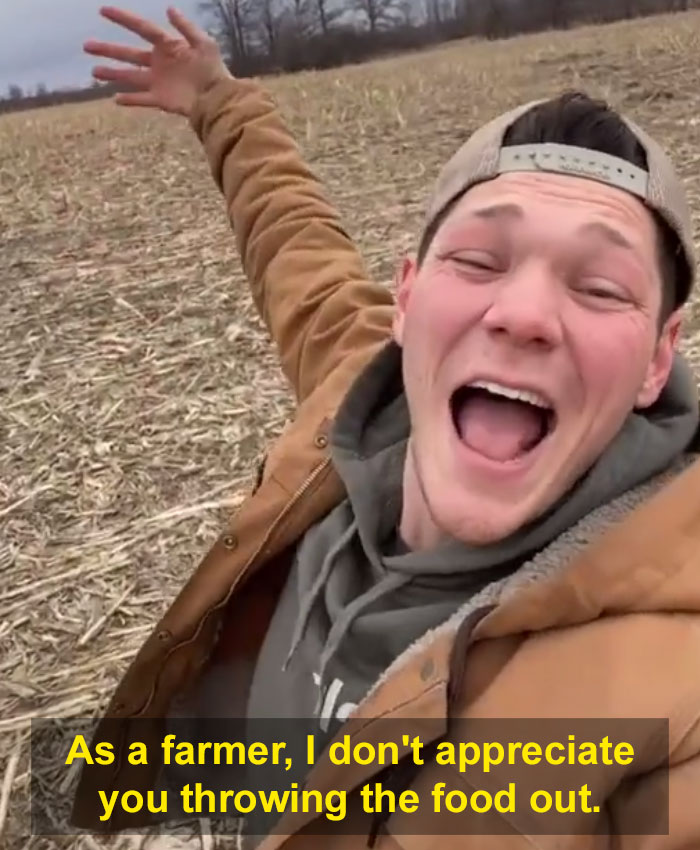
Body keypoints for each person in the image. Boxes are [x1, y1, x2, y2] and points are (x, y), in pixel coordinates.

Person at [71, 5, 700, 848]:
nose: (522, 314)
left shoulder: (673, 704)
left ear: (660, 359)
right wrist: (218, 100)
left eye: (600, 288)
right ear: (405, 300)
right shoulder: (360, 401)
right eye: (478, 260)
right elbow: (291, 235)